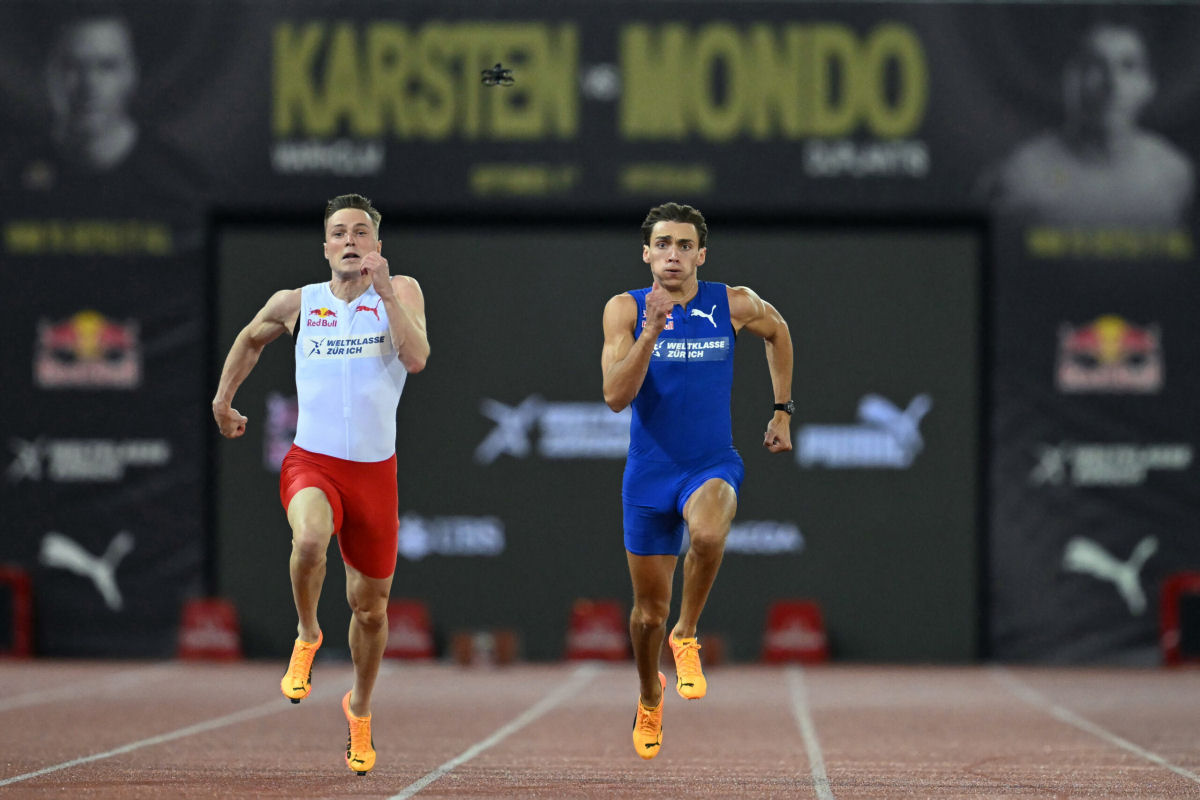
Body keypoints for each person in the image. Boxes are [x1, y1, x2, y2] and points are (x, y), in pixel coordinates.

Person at [212, 193, 428, 775]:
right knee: (309, 540)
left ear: (377, 247)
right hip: (314, 462)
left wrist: (384, 293)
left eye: (362, 232)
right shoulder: (297, 302)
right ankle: (307, 633)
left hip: (375, 474)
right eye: (340, 232)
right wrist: (223, 398)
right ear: (326, 246)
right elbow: (250, 339)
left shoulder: (400, 291)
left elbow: (417, 358)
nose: (351, 240)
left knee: (371, 610)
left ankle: (359, 708)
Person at [600, 202, 794, 760]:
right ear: (646, 254)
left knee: (708, 535)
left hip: (710, 462)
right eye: (663, 244)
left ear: (701, 255)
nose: (674, 255)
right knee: (645, 616)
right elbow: (616, 396)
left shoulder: (730, 302)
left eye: (685, 246)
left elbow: (778, 332)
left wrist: (782, 409)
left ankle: (687, 635)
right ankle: (647, 694)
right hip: (649, 475)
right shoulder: (624, 310)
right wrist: (651, 330)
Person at [979, 20, 1193, 227]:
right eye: (1095, 66)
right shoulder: (1021, 179)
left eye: (1128, 67)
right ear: (1070, 80)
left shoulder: (1174, 173)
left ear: (1149, 85)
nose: (1113, 84)